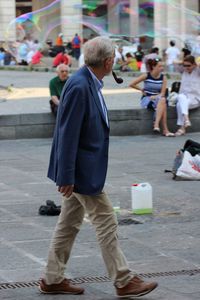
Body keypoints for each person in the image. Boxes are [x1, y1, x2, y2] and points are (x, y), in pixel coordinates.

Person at [39, 36, 158, 298]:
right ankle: (124, 280)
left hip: (81, 169)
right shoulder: (80, 85)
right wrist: (67, 175)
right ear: (107, 61)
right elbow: (67, 134)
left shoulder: (89, 81)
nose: (115, 61)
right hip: (80, 172)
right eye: (114, 58)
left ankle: (52, 278)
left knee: (68, 223)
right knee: (105, 219)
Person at [129, 58, 174, 136]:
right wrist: (142, 90)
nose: (162, 68)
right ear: (153, 66)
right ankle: (165, 130)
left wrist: (155, 96)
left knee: (162, 100)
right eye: (159, 66)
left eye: (162, 66)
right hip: (147, 99)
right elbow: (131, 84)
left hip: (158, 99)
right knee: (163, 103)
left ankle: (156, 125)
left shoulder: (163, 78)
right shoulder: (147, 75)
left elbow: (163, 93)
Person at [175, 55, 200, 136]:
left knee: (180, 102)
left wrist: (197, 64)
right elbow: (174, 63)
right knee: (180, 100)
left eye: (188, 65)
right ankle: (185, 121)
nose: (186, 67)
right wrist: (182, 62)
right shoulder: (183, 71)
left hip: (195, 99)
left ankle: (182, 127)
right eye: (184, 65)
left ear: (194, 65)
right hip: (185, 98)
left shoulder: (198, 71)